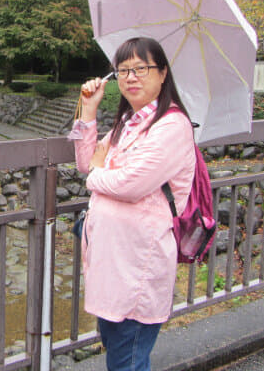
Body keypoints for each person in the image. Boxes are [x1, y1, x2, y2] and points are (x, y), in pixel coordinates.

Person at [70, 37, 196, 371]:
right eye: (123, 70)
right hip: (112, 263)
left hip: (138, 264)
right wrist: (89, 109)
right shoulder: (129, 123)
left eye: (141, 68)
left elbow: (130, 185)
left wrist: (98, 174)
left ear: (163, 72)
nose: (130, 77)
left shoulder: (172, 125)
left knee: (128, 360)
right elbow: (85, 160)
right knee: (118, 353)